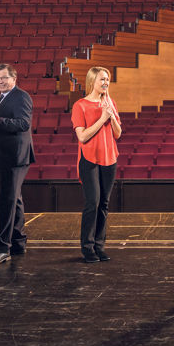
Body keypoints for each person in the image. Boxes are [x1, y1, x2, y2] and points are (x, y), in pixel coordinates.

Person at [0, 63, 34, 265]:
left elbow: (23, 123)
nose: (0, 81)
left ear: (14, 78)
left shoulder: (21, 96)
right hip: (4, 157)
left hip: (15, 157)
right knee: (14, 200)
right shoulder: (1, 100)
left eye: (4, 78)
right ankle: (18, 241)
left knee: (7, 201)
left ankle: (3, 247)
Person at [71, 66, 122, 262]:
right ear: (92, 81)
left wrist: (111, 114)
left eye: (107, 79)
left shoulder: (110, 102)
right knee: (93, 202)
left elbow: (118, 134)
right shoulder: (80, 105)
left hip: (110, 158)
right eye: (102, 79)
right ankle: (88, 247)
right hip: (89, 158)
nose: (105, 83)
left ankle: (100, 246)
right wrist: (102, 118)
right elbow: (82, 136)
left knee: (104, 204)